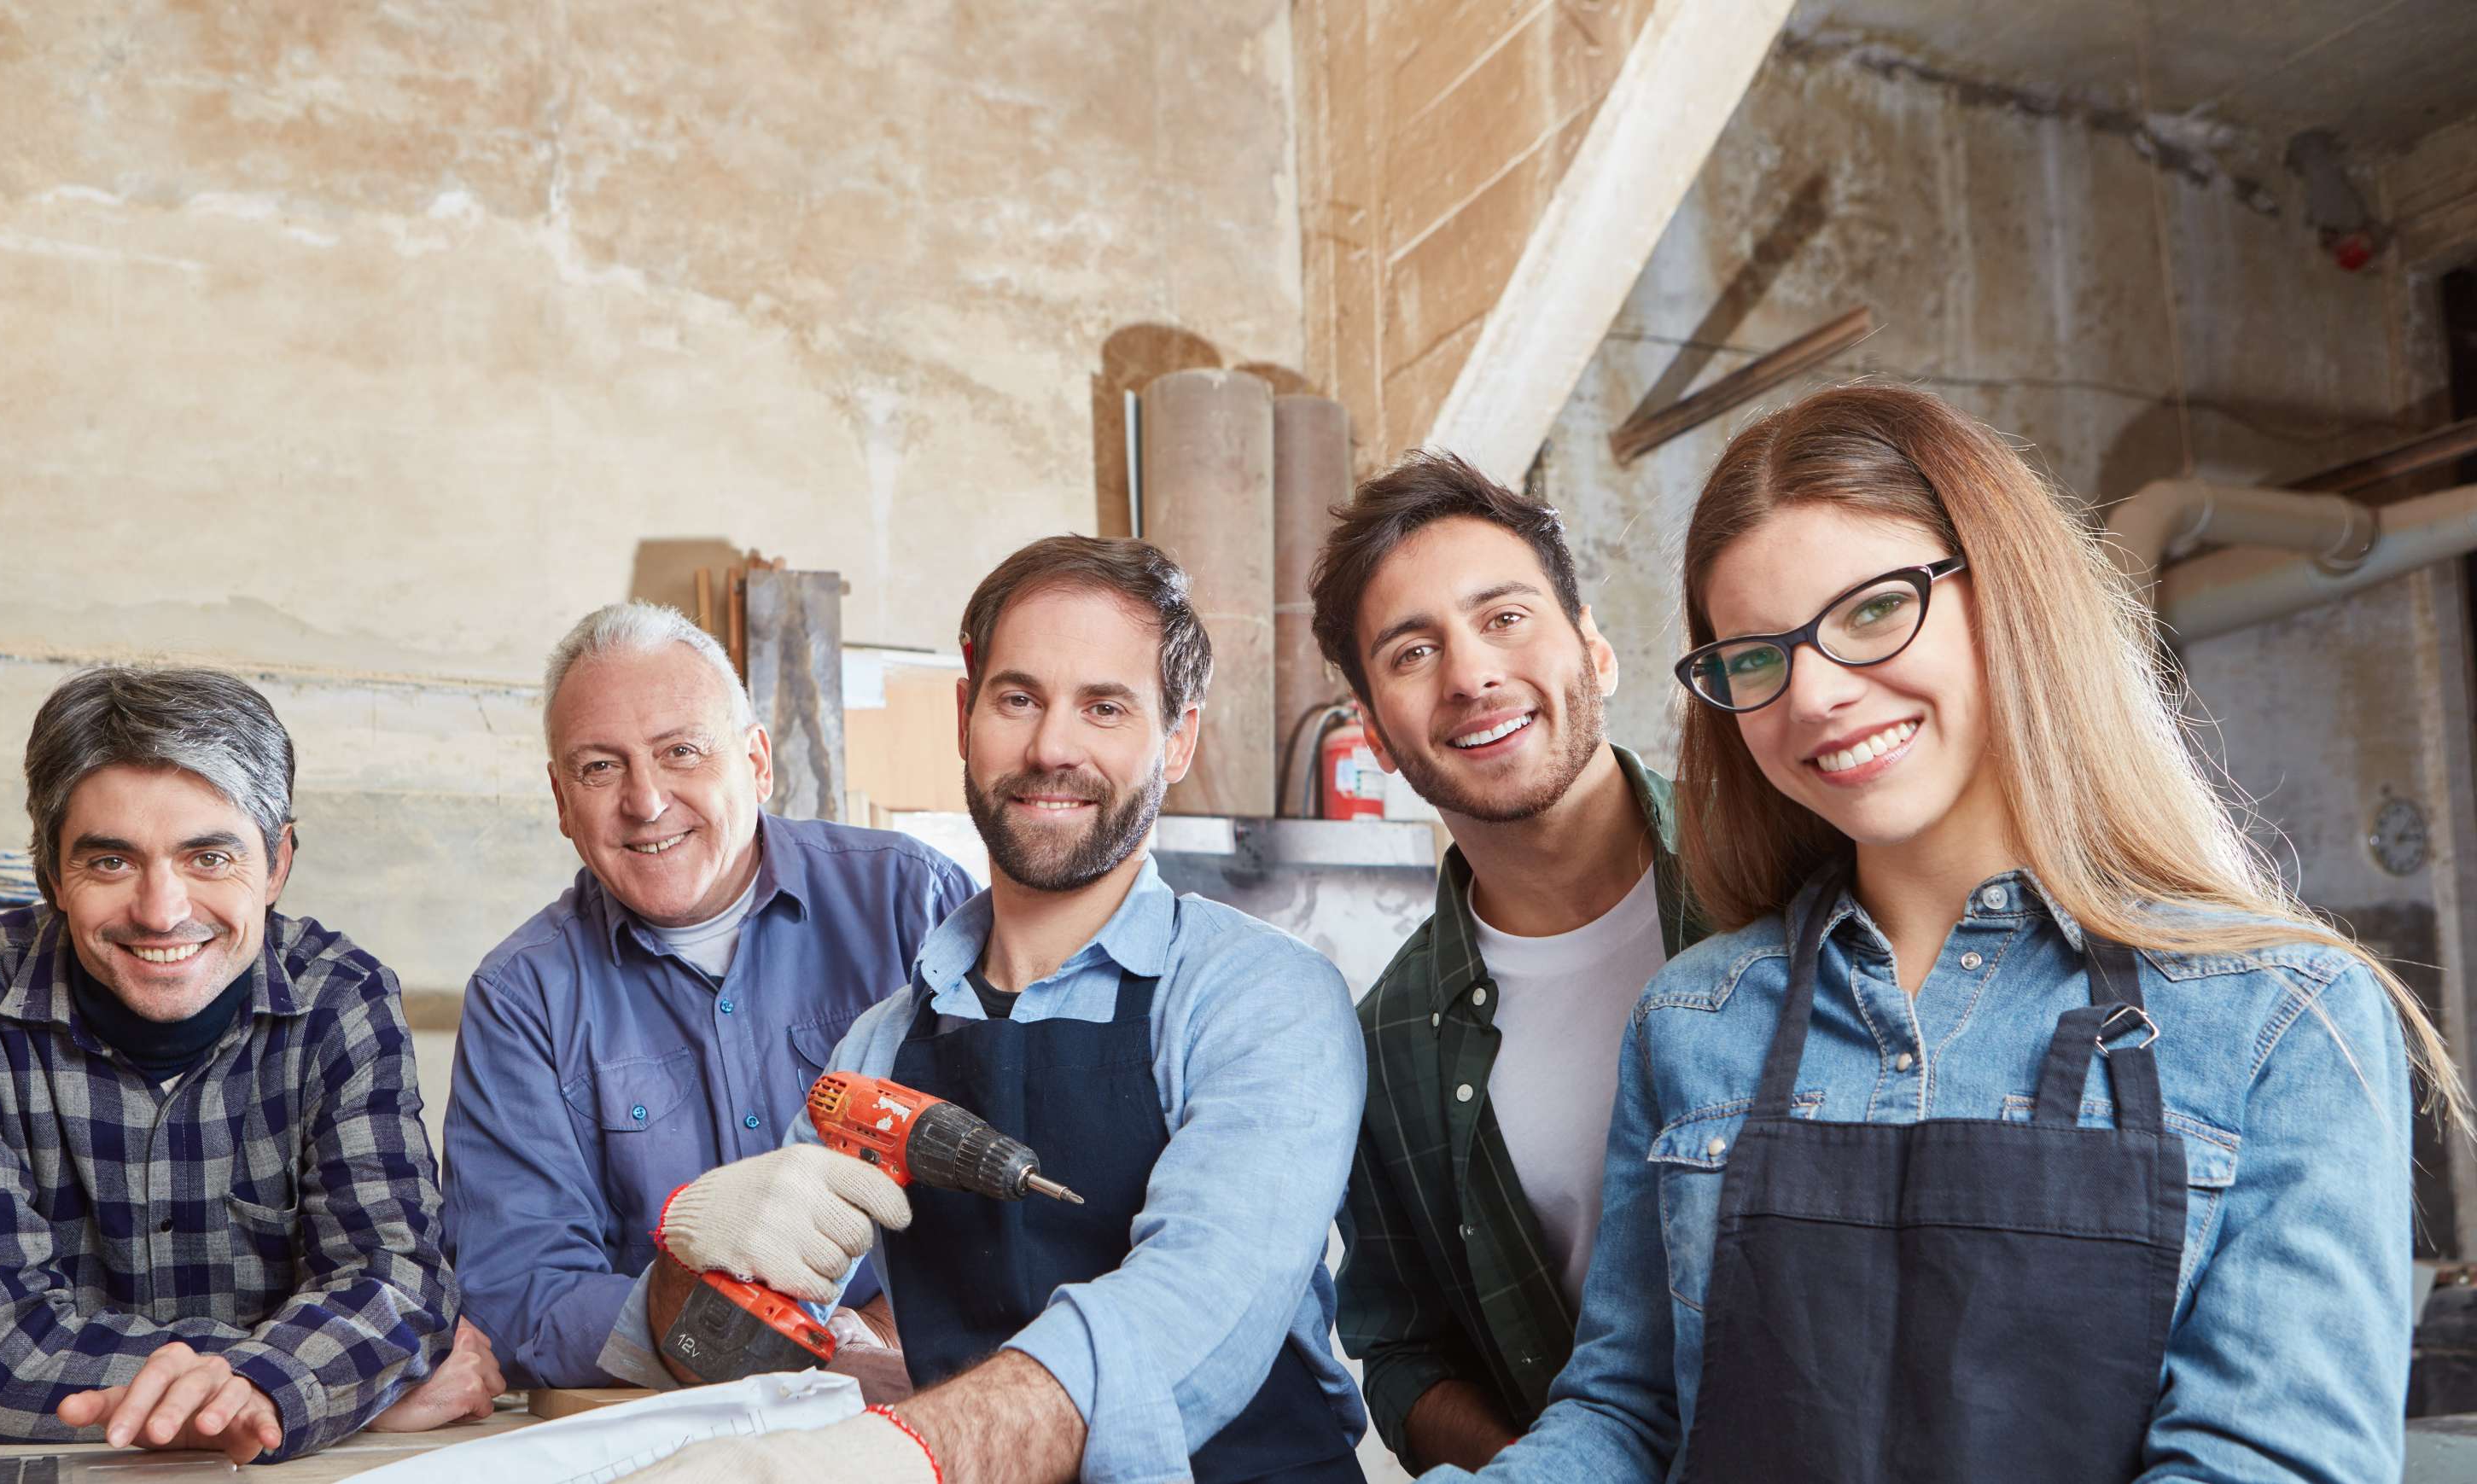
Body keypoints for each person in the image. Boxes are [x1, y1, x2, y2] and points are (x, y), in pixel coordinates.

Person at [1433, 384, 2459, 1482]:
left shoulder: (2279, 1014)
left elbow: (2267, 1462)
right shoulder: (1695, 1016)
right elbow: (1628, 1416)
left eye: (1874, 610)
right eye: (1758, 657)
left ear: (2009, 594)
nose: (1814, 696)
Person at [621, 536, 1368, 1482]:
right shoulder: (878, 1048)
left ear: (1177, 739)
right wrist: (694, 1251)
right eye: (1018, 699)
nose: (1051, 747)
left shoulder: (1259, 997)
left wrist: (891, 1452)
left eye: (1105, 706)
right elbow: (724, 1347)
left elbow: (1189, 1311)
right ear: (965, 717)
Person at [0, 666, 501, 1465]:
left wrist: (291, 1383)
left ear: (277, 864)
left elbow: (395, 1275)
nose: (161, 911)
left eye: (208, 857)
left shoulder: (343, 997)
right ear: (51, 872)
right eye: (111, 862)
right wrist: (311, 1385)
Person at [441, 602, 973, 1387]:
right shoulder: (520, 998)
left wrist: (888, 1330)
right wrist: (723, 1325)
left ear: (757, 762)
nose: (646, 800)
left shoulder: (915, 903)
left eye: (680, 751)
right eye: (600, 767)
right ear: (561, 799)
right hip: (671, 1420)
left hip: (929, 1388)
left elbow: (1028, 1188)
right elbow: (519, 1295)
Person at [1304, 451, 1710, 1471]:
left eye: (1506, 616)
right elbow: (1402, 1352)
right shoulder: (1388, 1038)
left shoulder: (1782, 880)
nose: (1471, 674)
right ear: (1376, 735)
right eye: (1412, 651)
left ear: (1596, 649)